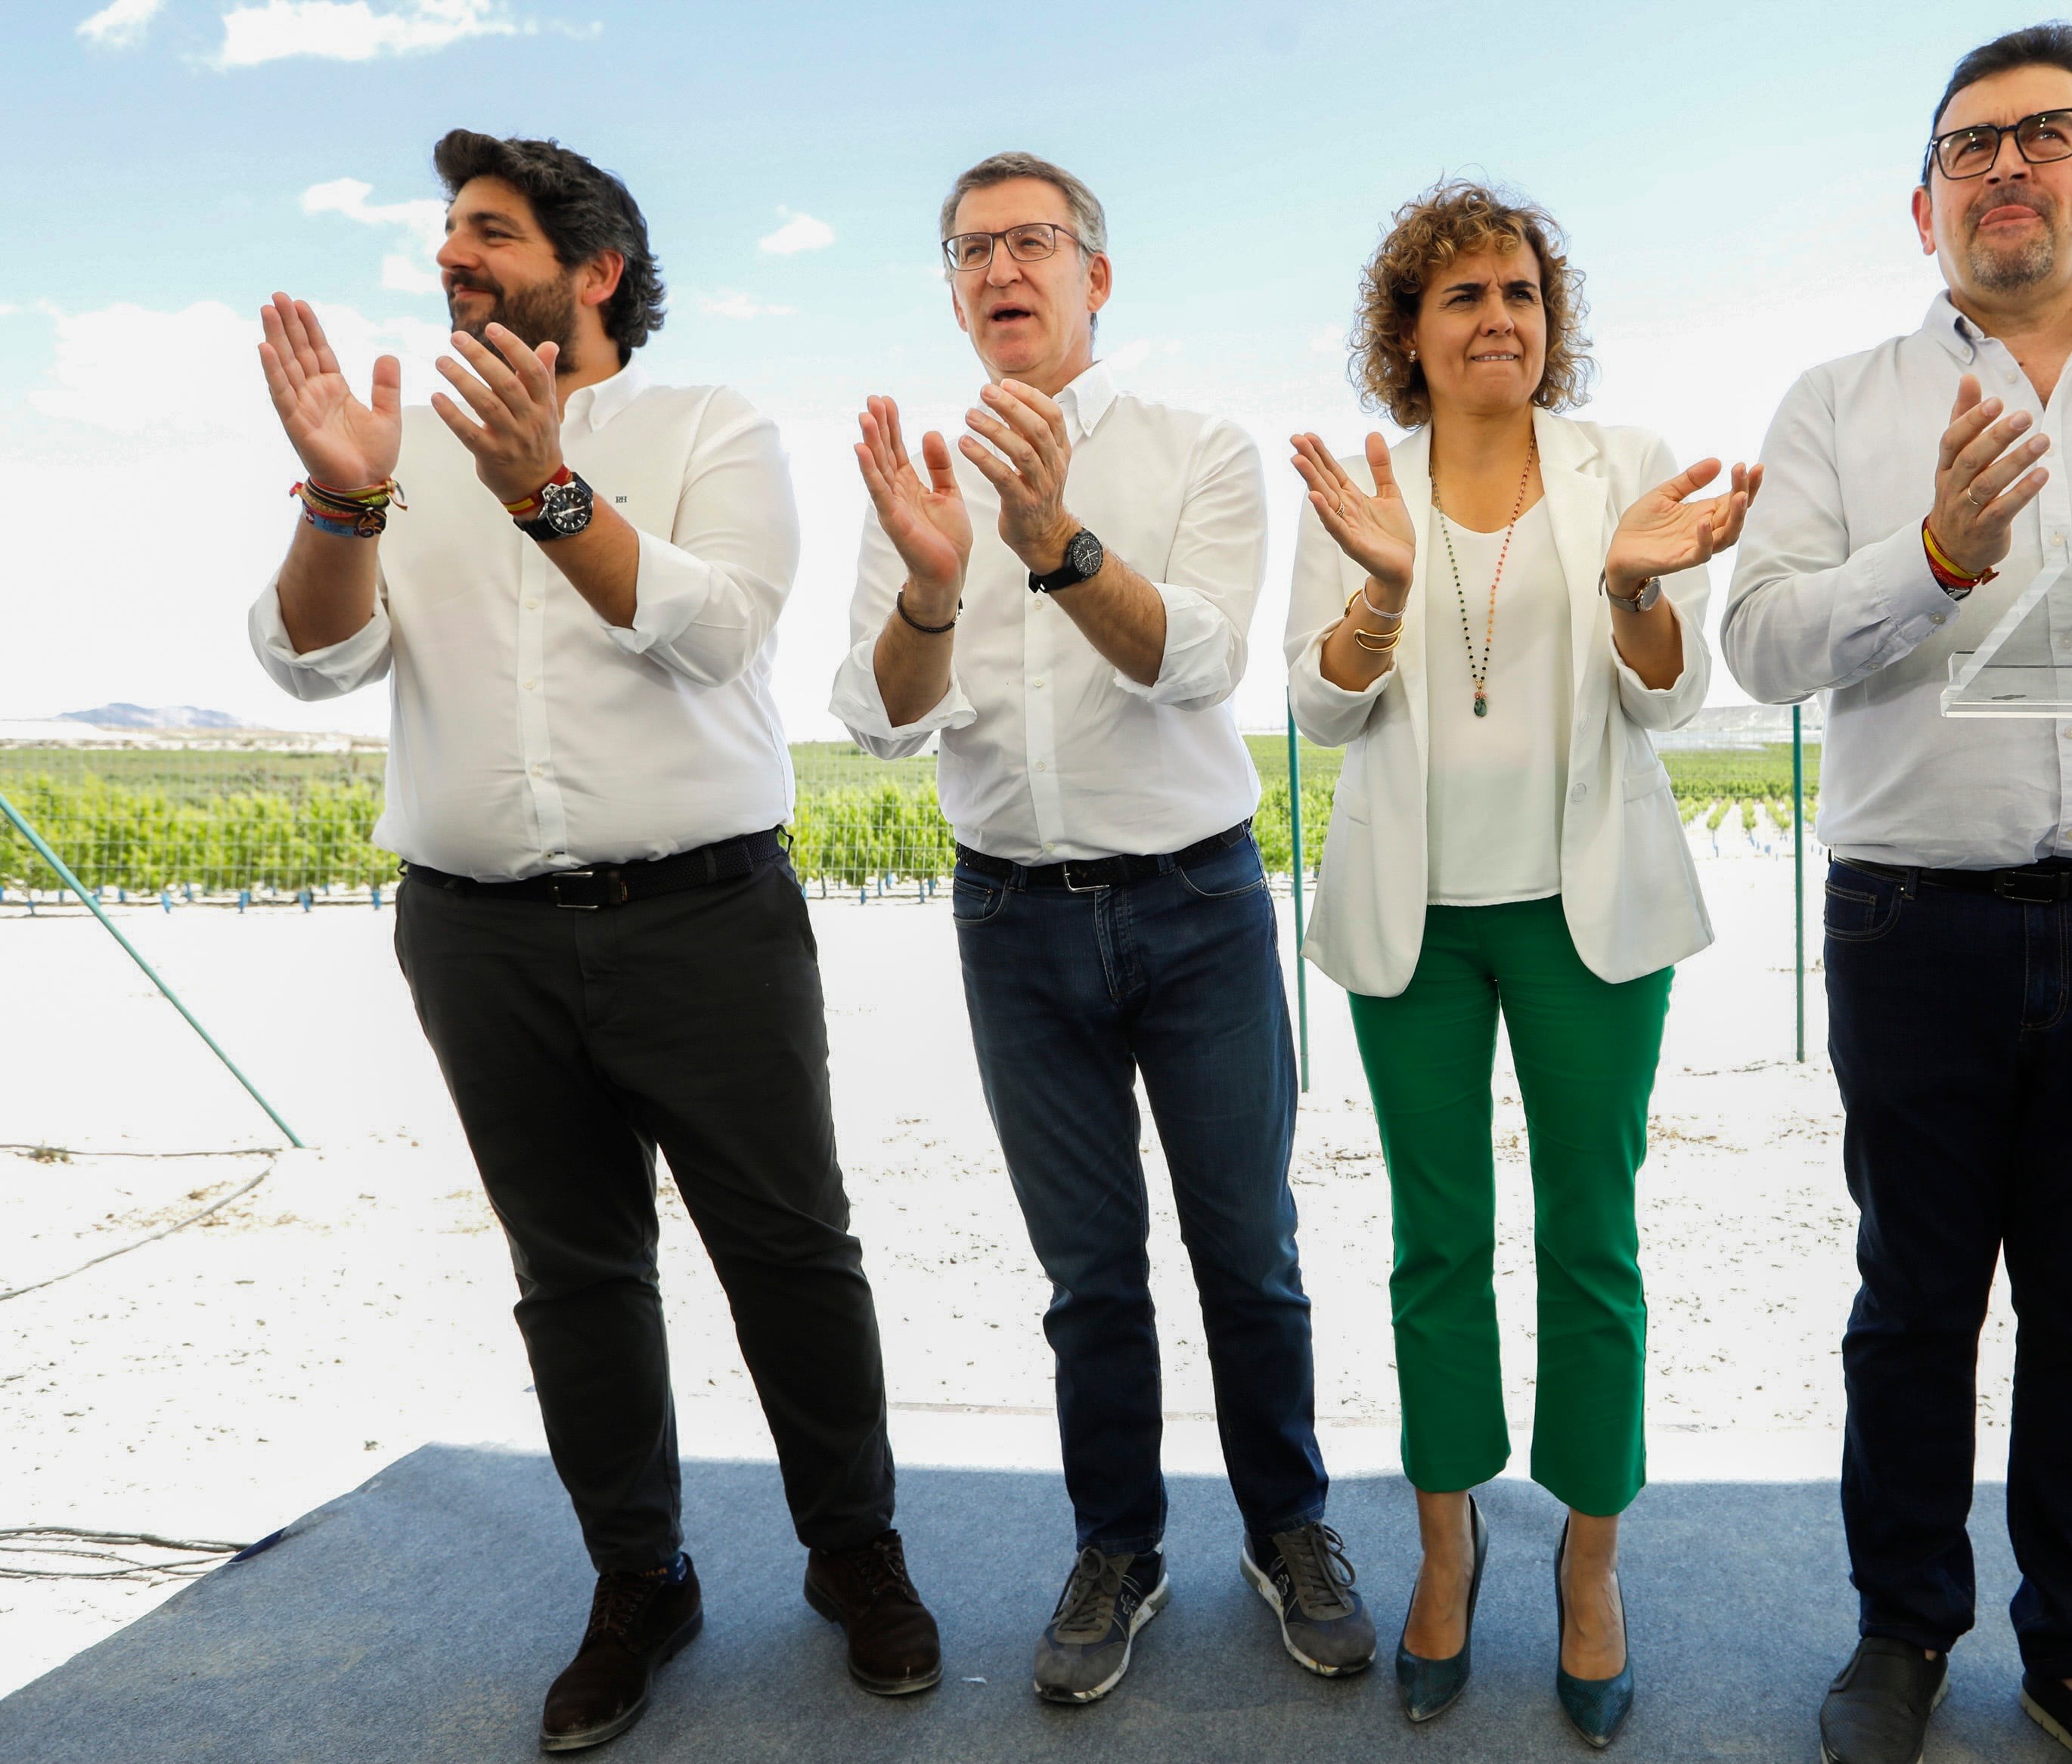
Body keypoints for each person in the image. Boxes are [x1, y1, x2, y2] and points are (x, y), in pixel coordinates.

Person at [247, 131, 935, 1753]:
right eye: (447, 235)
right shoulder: (389, 444)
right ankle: (641, 1580)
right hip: (477, 941)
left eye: (488, 232)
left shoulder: (711, 425)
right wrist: (348, 496)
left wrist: (545, 492)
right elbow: (308, 661)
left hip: (703, 921)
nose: (451, 258)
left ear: (598, 268)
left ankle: (858, 1558)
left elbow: (716, 631)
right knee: (573, 1278)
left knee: (789, 1252)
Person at [1720, 27, 2072, 1764]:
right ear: (1924, 205)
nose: (2005, 169)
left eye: (2045, 136)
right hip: (1914, 923)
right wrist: (1933, 558)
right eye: (1968, 147)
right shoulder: (1838, 404)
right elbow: (1756, 643)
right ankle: (1901, 1631)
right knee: (1910, 1305)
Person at [829, 150, 1373, 1705]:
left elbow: (1193, 663)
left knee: (1247, 1252)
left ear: (1095, 277)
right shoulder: (913, 474)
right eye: (969, 251)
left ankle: (1289, 1528)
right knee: (1087, 1275)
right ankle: (1116, 1546)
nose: (1001, 271)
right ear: (951, 290)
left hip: (1196, 901)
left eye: (1031, 243)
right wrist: (935, 584)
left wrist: (1054, 538)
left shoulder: (1198, 448)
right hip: (1009, 915)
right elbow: (877, 720)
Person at [1285, 181, 1752, 1748]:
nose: (1498, 318)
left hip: (1588, 910)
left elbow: (1668, 699)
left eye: (1521, 294)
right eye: (1462, 296)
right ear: (1405, 336)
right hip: (1408, 924)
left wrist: (1632, 589)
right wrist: (1382, 590)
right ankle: (1443, 1545)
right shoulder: (1362, 482)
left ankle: (1591, 1565)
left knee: (1591, 1242)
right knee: (1435, 1242)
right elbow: (1324, 708)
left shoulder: (1619, 466)